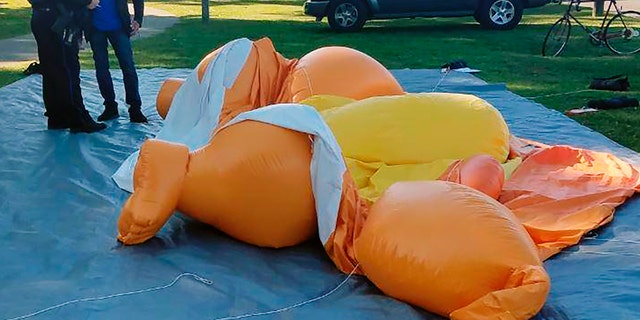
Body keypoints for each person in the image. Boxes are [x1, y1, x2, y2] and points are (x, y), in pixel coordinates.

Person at [29, 0, 107, 133]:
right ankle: (77, 119)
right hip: (56, 20)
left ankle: (56, 117)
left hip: (42, 17)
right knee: (66, 70)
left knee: (51, 70)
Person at [85, 0, 147, 123]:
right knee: (101, 68)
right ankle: (110, 106)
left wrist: (138, 19)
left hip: (119, 26)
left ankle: (135, 108)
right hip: (95, 27)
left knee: (128, 66)